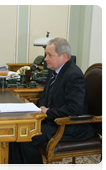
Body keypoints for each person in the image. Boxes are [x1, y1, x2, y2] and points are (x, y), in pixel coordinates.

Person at [8, 38, 95, 170]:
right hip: (53, 120)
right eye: (45, 55)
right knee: (16, 131)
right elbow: (45, 96)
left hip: (70, 126)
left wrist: (47, 112)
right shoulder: (53, 70)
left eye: (50, 55)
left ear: (63, 56)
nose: (45, 59)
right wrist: (42, 109)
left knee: (26, 137)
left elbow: (75, 108)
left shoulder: (73, 75)